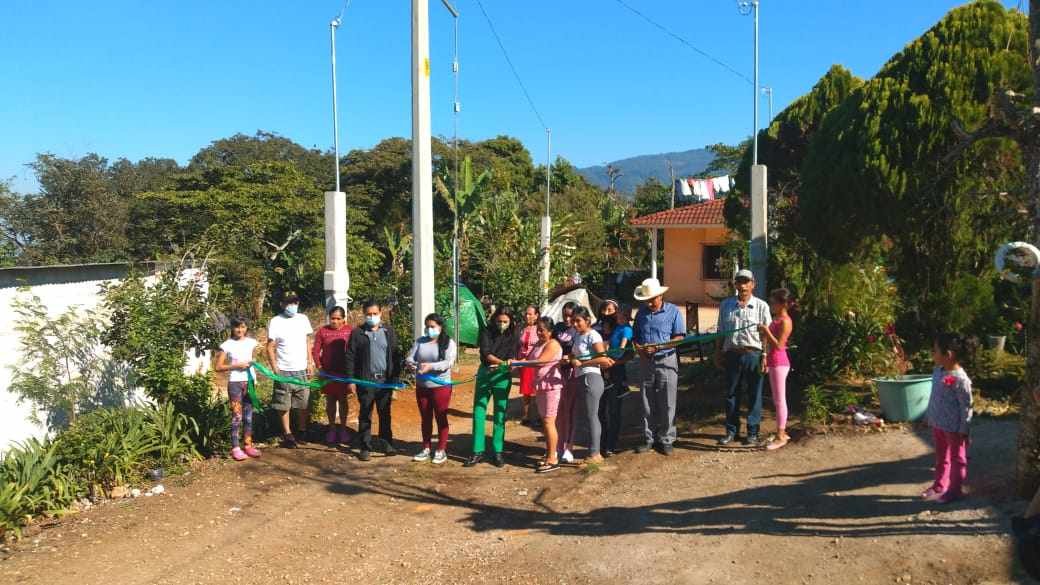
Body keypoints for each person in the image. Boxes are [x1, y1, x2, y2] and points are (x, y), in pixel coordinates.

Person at [714, 270, 772, 447]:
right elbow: (721, 331)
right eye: (739, 282)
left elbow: (767, 335)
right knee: (731, 395)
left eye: (746, 282)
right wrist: (717, 353)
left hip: (753, 355)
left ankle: (753, 433)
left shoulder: (761, 306)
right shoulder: (726, 305)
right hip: (732, 355)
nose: (743, 285)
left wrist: (765, 356)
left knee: (754, 395)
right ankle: (731, 431)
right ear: (735, 284)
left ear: (753, 284)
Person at [344, 300, 403, 462]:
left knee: (385, 413)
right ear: (364, 315)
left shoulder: (388, 331)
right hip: (366, 381)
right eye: (368, 314)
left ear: (380, 313)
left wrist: (396, 378)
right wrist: (351, 380)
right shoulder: (357, 333)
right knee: (365, 414)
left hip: (385, 381)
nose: (372, 317)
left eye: (374, 314)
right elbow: (350, 357)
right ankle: (365, 446)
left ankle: (386, 443)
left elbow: (396, 355)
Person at [632, 278, 686, 455]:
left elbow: (679, 337)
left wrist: (660, 347)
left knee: (668, 401)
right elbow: (636, 337)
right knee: (646, 400)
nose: (649, 302)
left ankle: (667, 438)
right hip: (646, 361)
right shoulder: (641, 314)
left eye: (652, 298)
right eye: (647, 299)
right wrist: (639, 349)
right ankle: (649, 438)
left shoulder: (673, 312)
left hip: (666, 360)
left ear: (661, 295)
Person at [922, 333, 974, 504]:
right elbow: (934, 396)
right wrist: (929, 416)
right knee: (941, 457)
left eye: (935, 351)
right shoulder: (938, 371)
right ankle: (939, 485)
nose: (933, 353)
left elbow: (966, 406)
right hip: (938, 424)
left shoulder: (961, 379)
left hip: (954, 429)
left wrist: (964, 430)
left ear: (948, 354)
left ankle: (955, 490)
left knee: (957, 459)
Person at [465, 307, 519, 468]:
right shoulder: (486, 332)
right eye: (499, 321)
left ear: (510, 322)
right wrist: (501, 363)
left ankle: (498, 451)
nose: (502, 324)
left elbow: (512, 356)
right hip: (485, 373)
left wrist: (507, 365)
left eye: (505, 322)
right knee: (479, 412)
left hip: (502, 376)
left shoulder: (514, 335)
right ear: (494, 320)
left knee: (500, 413)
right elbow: (486, 353)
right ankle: (477, 451)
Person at [512, 316, 565, 473]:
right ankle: (549, 453)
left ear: (550, 331)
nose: (539, 333)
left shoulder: (553, 344)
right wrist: (511, 364)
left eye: (542, 330)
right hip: (540, 386)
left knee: (549, 421)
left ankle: (553, 458)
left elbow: (541, 362)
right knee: (545, 421)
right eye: (538, 330)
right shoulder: (538, 344)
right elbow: (527, 358)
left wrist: (517, 363)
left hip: (551, 387)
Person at [405, 313, 457, 465]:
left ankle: (441, 449)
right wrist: (411, 364)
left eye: (432, 326)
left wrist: (430, 367)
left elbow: (448, 363)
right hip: (422, 387)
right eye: (427, 326)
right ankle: (426, 448)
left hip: (440, 387)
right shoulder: (420, 341)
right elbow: (410, 357)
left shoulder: (448, 343)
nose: (429, 329)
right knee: (425, 418)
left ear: (440, 327)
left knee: (441, 417)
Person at [266, 292, 315, 449]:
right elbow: (270, 347)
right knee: (283, 404)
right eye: (288, 303)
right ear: (282, 304)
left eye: (294, 302)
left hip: (302, 369)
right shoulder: (275, 321)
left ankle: (302, 430)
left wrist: (310, 362)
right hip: (284, 370)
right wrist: (275, 368)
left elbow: (308, 341)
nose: (292, 306)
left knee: (303, 403)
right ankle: (287, 434)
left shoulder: (303, 319)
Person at [568, 306, 613, 464]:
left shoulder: (593, 335)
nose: (575, 324)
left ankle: (595, 454)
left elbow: (603, 359)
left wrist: (582, 362)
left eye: (578, 321)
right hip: (581, 377)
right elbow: (574, 354)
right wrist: (573, 358)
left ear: (587, 320)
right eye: (573, 321)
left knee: (592, 416)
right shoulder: (578, 336)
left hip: (591, 377)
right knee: (588, 416)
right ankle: (593, 451)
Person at [216, 318, 261, 461]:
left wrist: (255, 365)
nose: (240, 330)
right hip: (235, 384)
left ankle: (248, 445)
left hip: (250, 383)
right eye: (237, 327)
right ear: (232, 328)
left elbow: (256, 356)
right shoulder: (226, 345)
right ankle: (235, 447)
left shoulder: (252, 342)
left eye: (242, 327)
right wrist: (235, 366)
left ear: (246, 327)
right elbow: (218, 367)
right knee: (237, 416)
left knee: (248, 416)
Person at [311, 306, 353, 445]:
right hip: (328, 374)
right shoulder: (322, 331)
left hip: (344, 373)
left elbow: (355, 350)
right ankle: (332, 429)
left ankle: (343, 428)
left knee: (343, 400)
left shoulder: (350, 331)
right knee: (330, 401)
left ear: (343, 319)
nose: (334, 321)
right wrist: (319, 367)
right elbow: (315, 351)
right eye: (332, 318)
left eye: (338, 318)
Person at [758, 289, 794, 450]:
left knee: (780, 400)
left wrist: (766, 331)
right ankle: (781, 432)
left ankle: (781, 435)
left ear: (783, 304)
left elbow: (779, 345)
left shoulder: (786, 321)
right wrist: (764, 354)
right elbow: (769, 341)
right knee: (776, 399)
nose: (771, 305)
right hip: (773, 361)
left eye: (774, 302)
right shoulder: (777, 318)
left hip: (780, 362)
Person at [602, 304, 633, 456]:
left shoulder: (626, 329)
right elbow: (608, 343)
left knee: (614, 408)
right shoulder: (614, 328)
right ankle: (604, 441)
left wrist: (614, 358)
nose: (618, 317)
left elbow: (623, 348)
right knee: (602, 409)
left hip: (616, 368)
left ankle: (611, 444)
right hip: (606, 365)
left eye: (621, 316)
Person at [554, 302, 580, 463]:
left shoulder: (577, 331)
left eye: (571, 315)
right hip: (557, 372)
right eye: (565, 315)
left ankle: (569, 446)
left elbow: (580, 351)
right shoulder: (557, 328)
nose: (568, 318)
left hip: (571, 372)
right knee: (557, 411)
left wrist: (569, 358)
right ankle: (557, 445)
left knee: (570, 411)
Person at [517, 305, 541, 427]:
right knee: (526, 390)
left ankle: (537, 416)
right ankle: (526, 415)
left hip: (534, 363)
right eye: (526, 314)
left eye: (530, 314)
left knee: (535, 391)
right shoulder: (522, 328)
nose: (527, 316)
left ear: (536, 315)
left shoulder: (539, 329)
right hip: (523, 363)